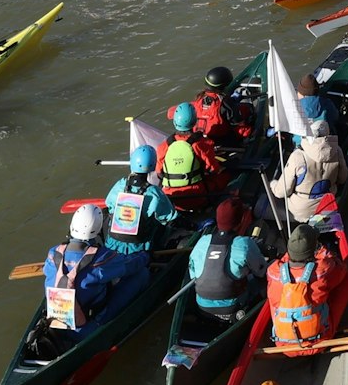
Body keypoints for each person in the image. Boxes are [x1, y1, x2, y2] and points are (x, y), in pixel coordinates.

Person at [42, 204, 149, 337]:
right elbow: (131, 265)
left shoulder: (54, 253)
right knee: (142, 273)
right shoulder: (101, 257)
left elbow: (45, 270)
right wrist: (145, 256)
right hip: (86, 326)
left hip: (54, 322)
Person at [267, 223, 348, 348]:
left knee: (276, 296)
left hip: (282, 344)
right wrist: (326, 255)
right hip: (320, 340)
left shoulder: (273, 271)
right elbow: (341, 271)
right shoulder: (322, 270)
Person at [188, 199, 265, 322]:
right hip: (232, 308)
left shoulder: (202, 241)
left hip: (202, 306)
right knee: (264, 278)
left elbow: (193, 276)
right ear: (240, 220)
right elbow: (261, 272)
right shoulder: (245, 244)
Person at [103, 145, 178, 256]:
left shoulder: (120, 185)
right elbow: (170, 218)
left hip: (112, 245)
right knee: (161, 224)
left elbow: (109, 205)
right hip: (139, 249)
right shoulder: (153, 192)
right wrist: (194, 227)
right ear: (152, 165)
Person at [273, 118, 348, 228]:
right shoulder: (337, 151)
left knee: (271, 193)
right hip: (326, 205)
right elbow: (343, 178)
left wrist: (273, 184)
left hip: (301, 211)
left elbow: (281, 192)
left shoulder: (298, 156)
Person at [159, 102, 224, 201]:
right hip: (198, 197)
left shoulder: (164, 146)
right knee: (225, 176)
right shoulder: (202, 144)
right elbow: (214, 169)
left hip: (172, 199)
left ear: (175, 121)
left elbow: (159, 173)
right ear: (195, 122)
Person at [190, 66, 250, 145]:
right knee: (248, 109)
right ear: (224, 86)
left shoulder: (198, 99)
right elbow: (239, 126)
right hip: (222, 142)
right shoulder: (225, 103)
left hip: (201, 140)